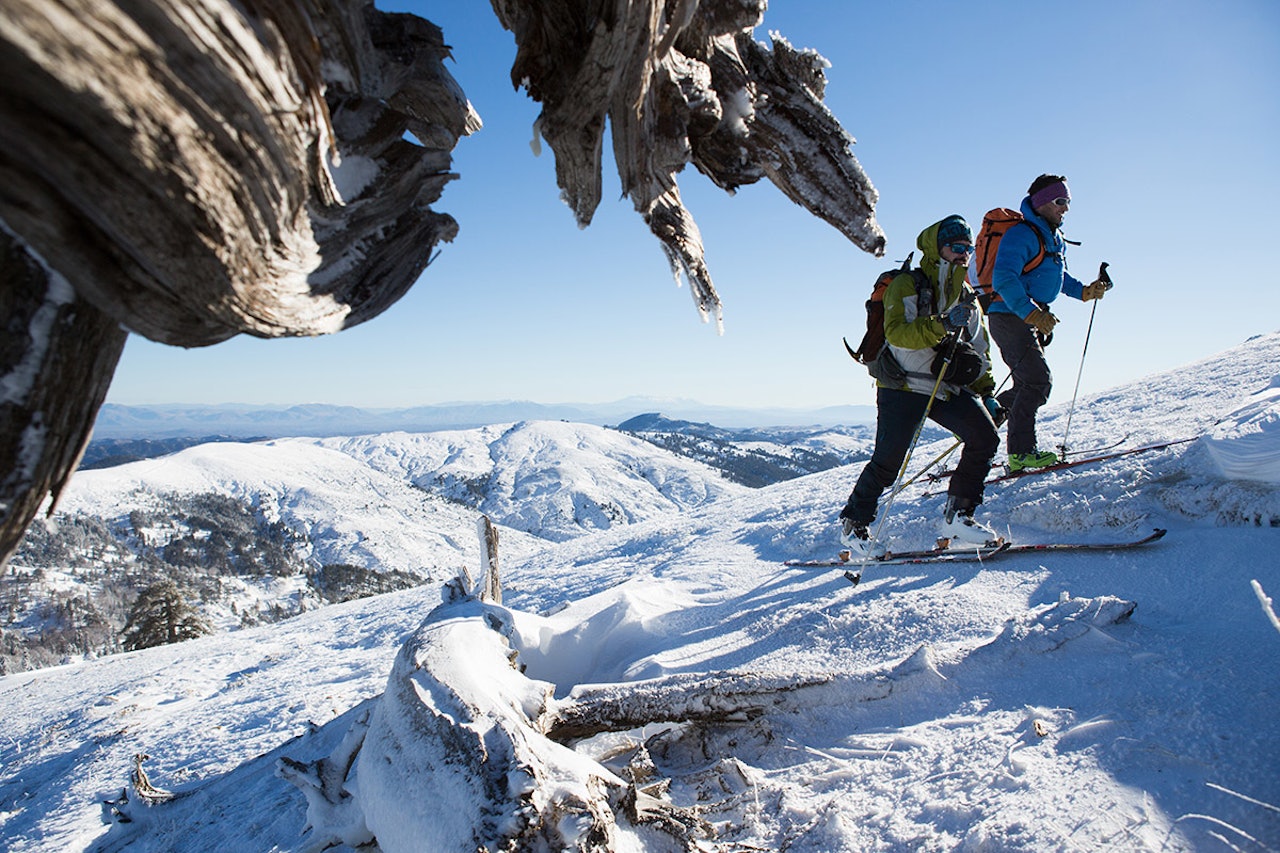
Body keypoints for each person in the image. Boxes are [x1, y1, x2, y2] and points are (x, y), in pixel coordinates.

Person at [839, 215, 1005, 556]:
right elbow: (898, 332)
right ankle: (854, 526)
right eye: (956, 247)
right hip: (902, 384)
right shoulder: (907, 284)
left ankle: (958, 516)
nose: (963, 254)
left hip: (944, 385)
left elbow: (978, 346)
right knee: (887, 462)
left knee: (984, 437)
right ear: (937, 248)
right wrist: (942, 324)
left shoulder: (965, 294)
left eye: (968, 248)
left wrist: (986, 392)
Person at [985, 174, 1108, 471]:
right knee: (1037, 381)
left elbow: (1053, 276)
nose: (1065, 208)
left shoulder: (1051, 236)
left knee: (1028, 383)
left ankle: (982, 417)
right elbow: (1003, 278)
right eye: (1060, 201)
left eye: (1067, 201)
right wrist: (1032, 314)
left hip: (1026, 318)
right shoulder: (1022, 234)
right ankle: (1021, 452)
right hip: (1010, 316)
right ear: (1041, 203)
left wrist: (1084, 292)